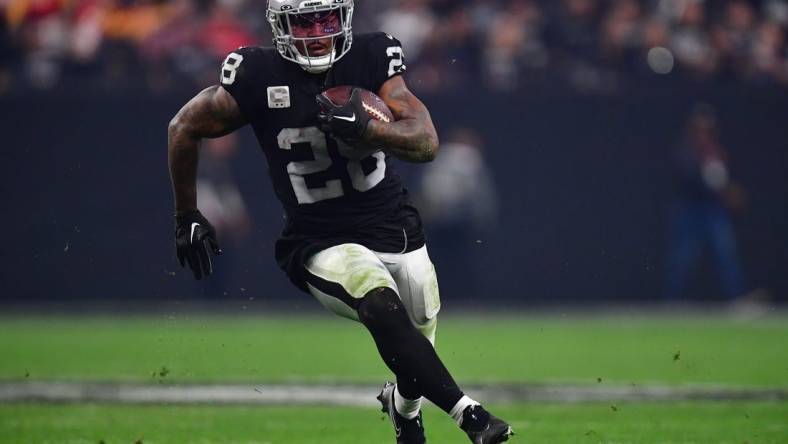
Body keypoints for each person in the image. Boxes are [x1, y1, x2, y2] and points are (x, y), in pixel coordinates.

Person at [167, 1, 514, 443]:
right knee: (379, 303)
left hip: (393, 224)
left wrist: (370, 130)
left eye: (325, 19)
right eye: (304, 21)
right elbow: (183, 127)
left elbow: (425, 142)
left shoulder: (371, 57)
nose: (316, 32)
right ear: (280, 25)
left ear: (344, 18)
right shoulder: (256, 72)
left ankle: (405, 412)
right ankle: (472, 416)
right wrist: (186, 214)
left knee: (415, 345)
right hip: (319, 236)